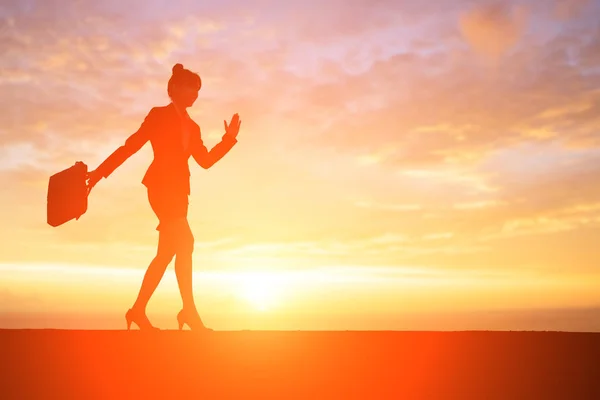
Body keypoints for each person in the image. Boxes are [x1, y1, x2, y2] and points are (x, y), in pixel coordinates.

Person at [86, 63, 241, 331]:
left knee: (167, 253)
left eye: (198, 90)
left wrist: (228, 139)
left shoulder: (193, 127)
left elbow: (204, 161)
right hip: (159, 189)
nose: (196, 94)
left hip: (180, 193)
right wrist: (99, 173)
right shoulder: (158, 116)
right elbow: (130, 146)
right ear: (176, 88)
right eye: (192, 88)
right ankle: (189, 312)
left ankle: (137, 311)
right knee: (187, 241)